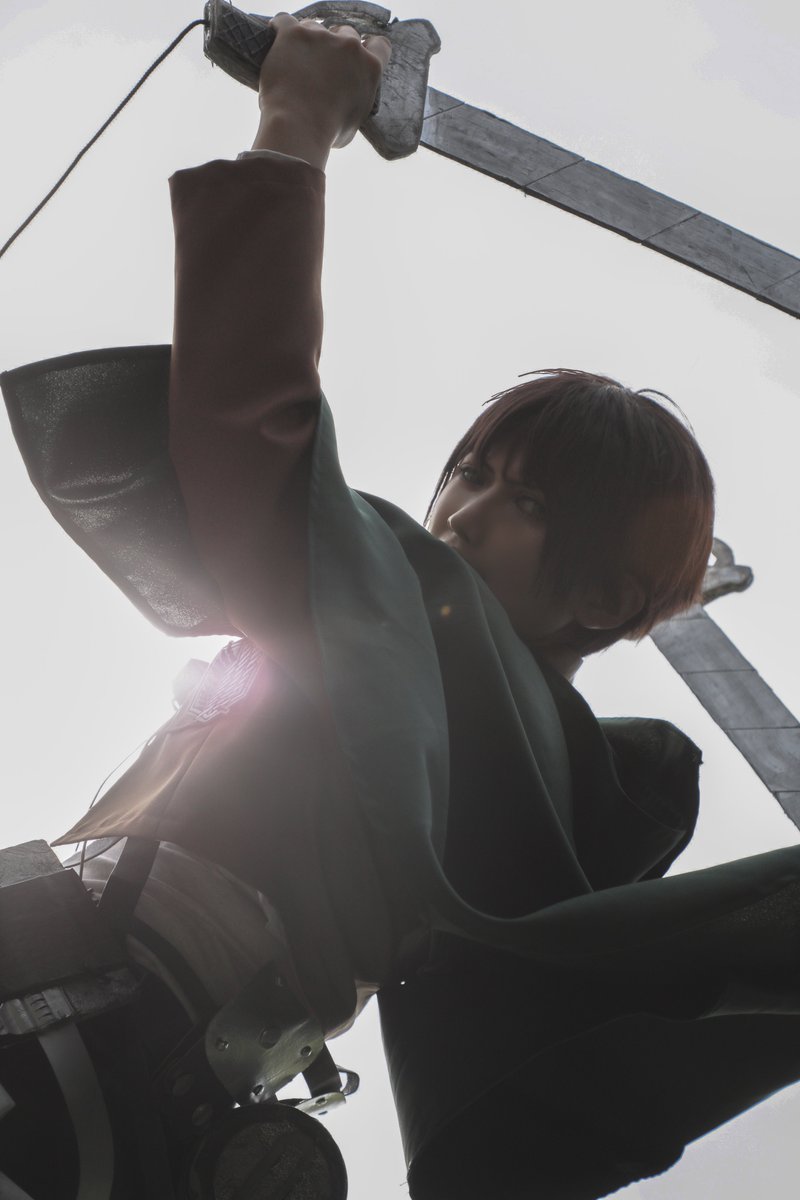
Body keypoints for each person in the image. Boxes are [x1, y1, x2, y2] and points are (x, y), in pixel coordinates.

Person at [4, 13, 800, 1199]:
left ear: (601, 594)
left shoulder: (430, 642)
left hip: (90, 1034)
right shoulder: (519, 766)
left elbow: (255, 442)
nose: (460, 512)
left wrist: (296, 122)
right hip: (126, 1077)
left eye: (524, 501)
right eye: (468, 472)